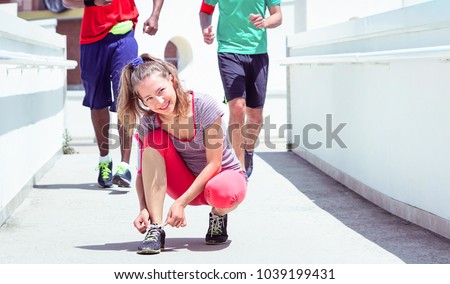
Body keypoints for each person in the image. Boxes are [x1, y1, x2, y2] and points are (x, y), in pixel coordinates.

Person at [117, 54, 247, 254]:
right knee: (153, 140)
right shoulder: (148, 122)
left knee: (223, 193)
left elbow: (215, 164)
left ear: (171, 79)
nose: (159, 101)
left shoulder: (204, 106)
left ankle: (218, 215)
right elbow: (143, 173)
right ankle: (155, 229)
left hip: (221, 177)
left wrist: (180, 203)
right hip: (184, 182)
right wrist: (143, 207)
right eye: (149, 98)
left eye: (161, 91)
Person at [62, 0, 165, 188]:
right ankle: (104, 161)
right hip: (91, 39)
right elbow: (66, 2)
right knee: (97, 102)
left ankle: (124, 166)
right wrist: (92, 2)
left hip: (123, 32)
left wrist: (155, 14)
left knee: (125, 97)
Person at [199, 0, 282, 179]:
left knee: (255, 116)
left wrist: (265, 22)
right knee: (237, 107)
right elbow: (205, 11)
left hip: (258, 53)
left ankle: (248, 150)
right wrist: (205, 28)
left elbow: (277, 15)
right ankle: (238, 166)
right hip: (228, 50)